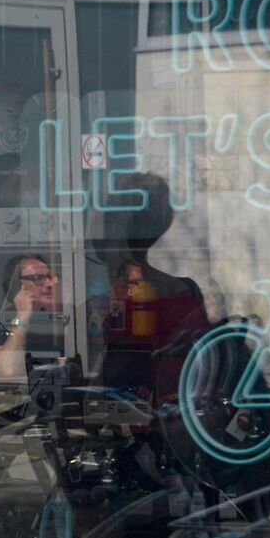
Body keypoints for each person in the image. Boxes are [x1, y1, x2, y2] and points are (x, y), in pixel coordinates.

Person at [89, 172, 209, 405]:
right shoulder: (185, 294)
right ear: (168, 220)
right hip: (178, 417)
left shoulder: (105, 304)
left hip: (131, 419)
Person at [0, 253, 69, 377]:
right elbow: (8, 369)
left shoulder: (62, 318)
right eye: (38, 278)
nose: (50, 284)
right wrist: (22, 318)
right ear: (17, 285)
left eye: (51, 277)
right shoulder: (3, 320)